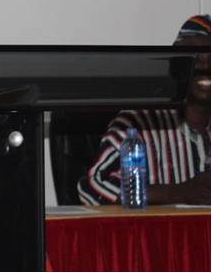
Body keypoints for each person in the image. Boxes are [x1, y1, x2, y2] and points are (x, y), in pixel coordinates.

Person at [78, 14, 210, 205]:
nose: (206, 65)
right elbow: (92, 187)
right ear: (176, 67)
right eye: (196, 58)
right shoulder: (139, 123)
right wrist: (177, 193)